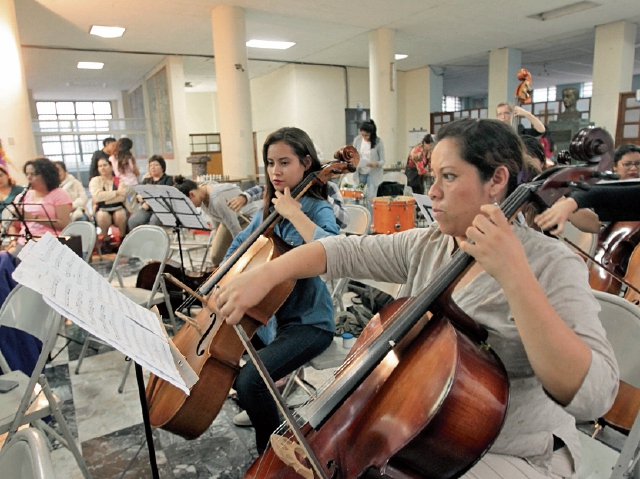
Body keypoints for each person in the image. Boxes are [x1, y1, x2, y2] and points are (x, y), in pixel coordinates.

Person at [213, 118, 618, 478]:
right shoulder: (431, 244)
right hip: (417, 440)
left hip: (514, 452)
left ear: (496, 180)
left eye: (449, 177)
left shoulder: (551, 263)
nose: (432, 192)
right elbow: (341, 251)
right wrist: (265, 273)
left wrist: (514, 275)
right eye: (432, 177)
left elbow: (596, 395)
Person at [217, 126, 338, 453]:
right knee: (228, 360)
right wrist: (220, 278)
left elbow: (335, 250)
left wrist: (295, 215)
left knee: (249, 382)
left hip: (309, 324)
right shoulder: (269, 209)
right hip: (270, 321)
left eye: (284, 162)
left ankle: (273, 459)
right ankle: (264, 414)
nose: (275, 171)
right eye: (270, 163)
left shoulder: (314, 208)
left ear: (306, 163)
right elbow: (241, 244)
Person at [535, 144, 640, 235]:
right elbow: (596, 194)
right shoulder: (601, 183)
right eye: (628, 164)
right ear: (614, 166)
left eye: (638, 163)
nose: (634, 168)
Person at [173, 176, 259, 266]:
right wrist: (215, 240)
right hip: (227, 221)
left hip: (246, 219)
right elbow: (215, 220)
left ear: (191, 194)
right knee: (216, 257)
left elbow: (234, 227)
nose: (191, 207)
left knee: (239, 255)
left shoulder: (217, 199)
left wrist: (239, 251)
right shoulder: (201, 193)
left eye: (189, 204)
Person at [6, 158, 72, 257]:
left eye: (33, 174)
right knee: (5, 259)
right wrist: (13, 240)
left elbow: (63, 224)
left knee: (24, 260)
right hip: (24, 241)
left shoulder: (59, 194)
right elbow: (13, 225)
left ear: (46, 175)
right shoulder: (22, 197)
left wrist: (31, 217)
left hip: (50, 241)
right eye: (27, 174)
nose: (29, 177)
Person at [227, 180, 349, 229]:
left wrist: (322, 196)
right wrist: (244, 197)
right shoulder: (291, 184)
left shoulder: (330, 187)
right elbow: (264, 189)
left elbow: (344, 222)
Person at [127, 155, 173, 231]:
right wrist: (144, 199)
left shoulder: (169, 180)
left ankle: (153, 241)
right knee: (133, 220)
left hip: (162, 210)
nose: (153, 167)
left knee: (153, 222)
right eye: (150, 165)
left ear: (162, 167)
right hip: (147, 209)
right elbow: (138, 196)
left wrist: (147, 202)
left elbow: (163, 196)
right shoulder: (146, 180)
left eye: (156, 165)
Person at [89, 158, 129, 240]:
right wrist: (116, 193)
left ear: (111, 167)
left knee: (120, 215)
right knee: (102, 216)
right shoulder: (95, 181)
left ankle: (122, 238)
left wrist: (104, 198)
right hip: (101, 208)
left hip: (119, 207)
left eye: (105, 165)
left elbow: (122, 197)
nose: (102, 168)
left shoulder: (119, 180)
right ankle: (105, 239)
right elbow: (97, 197)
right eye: (100, 166)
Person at [353, 119, 385, 202]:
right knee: (356, 194)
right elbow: (353, 154)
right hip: (360, 172)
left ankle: (370, 214)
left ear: (372, 133)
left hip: (373, 173)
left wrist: (375, 163)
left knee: (371, 197)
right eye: (362, 135)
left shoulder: (378, 142)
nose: (364, 137)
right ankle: (357, 212)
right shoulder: (357, 140)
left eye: (367, 135)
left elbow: (383, 161)